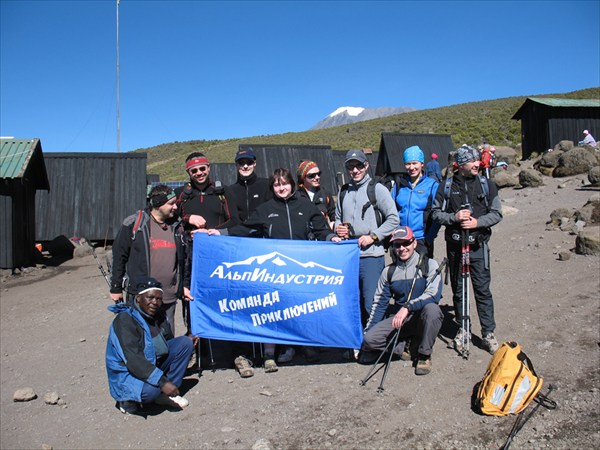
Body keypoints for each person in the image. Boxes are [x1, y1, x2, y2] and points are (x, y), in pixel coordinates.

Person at [227, 168, 341, 370]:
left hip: (299, 268)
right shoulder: (265, 209)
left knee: (300, 307)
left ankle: (305, 345)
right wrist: (218, 233)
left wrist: (332, 237)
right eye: (277, 184)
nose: (281, 188)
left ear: (292, 185)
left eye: (285, 183)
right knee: (272, 310)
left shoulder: (306, 206)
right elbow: (244, 229)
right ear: (273, 187)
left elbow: (321, 229)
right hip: (275, 269)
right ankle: (270, 354)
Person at [431, 145, 503, 355]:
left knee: (482, 290)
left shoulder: (487, 185)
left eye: (478, 161)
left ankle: (488, 333)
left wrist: (477, 222)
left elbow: (497, 214)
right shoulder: (446, 186)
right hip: (455, 247)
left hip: (478, 246)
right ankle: (463, 330)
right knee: (459, 290)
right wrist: (454, 217)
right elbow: (435, 213)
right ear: (461, 165)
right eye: (473, 161)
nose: (477, 164)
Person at [106, 276, 195, 415]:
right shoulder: (125, 320)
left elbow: (168, 343)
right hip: (128, 372)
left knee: (185, 343)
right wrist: (162, 382)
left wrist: (190, 339)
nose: (155, 302)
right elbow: (133, 360)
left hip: (151, 363)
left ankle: (165, 393)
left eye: (159, 299)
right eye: (150, 297)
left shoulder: (158, 314)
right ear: (138, 298)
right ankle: (127, 399)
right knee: (152, 390)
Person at [360, 226, 443, 375]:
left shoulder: (430, 265)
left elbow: (433, 295)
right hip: (400, 320)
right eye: (397, 245)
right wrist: (368, 333)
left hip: (421, 316)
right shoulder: (388, 272)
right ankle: (403, 346)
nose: (402, 248)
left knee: (433, 310)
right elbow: (379, 303)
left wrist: (408, 307)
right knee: (370, 339)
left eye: (406, 243)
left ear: (414, 243)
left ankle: (424, 354)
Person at [110, 185, 190, 333]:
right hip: (142, 295)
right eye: (171, 203)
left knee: (167, 336)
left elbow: (184, 259)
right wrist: (116, 287)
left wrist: (184, 285)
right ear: (158, 204)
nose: (175, 207)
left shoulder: (176, 226)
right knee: (142, 335)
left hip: (169, 295)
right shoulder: (135, 224)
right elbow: (119, 256)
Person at [335, 150, 399, 328]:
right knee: (352, 303)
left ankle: (378, 343)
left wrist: (373, 236)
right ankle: (359, 342)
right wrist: (337, 228)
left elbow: (394, 218)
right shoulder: (343, 191)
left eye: (358, 166)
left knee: (372, 303)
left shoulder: (377, 189)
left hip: (371, 255)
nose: (355, 170)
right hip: (349, 255)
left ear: (366, 166)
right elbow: (338, 217)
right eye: (350, 166)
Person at [391, 145, 440, 258]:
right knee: (401, 274)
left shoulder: (432, 185)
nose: (411, 167)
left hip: (422, 239)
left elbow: (437, 214)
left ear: (422, 164)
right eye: (408, 164)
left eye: (415, 163)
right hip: (401, 239)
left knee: (421, 273)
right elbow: (391, 210)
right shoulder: (399, 184)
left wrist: (429, 238)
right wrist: (395, 231)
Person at [175, 152, 239, 234]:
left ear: (208, 168)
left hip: (216, 242)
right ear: (188, 172)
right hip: (189, 244)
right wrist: (188, 218)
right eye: (194, 171)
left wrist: (212, 232)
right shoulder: (180, 193)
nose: (199, 173)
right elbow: (170, 219)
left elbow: (234, 220)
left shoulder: (224, 191)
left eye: (202, 168)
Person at [228, 148, 272, 223]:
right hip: (239, 233)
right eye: (241, 163)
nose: (245, 166)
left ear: (254, 163)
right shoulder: (230, 190)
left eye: (249, 162)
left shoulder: (267, 185)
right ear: (236, 165)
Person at [296, 160, 336, 229]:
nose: (317, 177)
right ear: (303, 178)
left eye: (318, 174)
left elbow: (334, 215)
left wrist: (334, 225)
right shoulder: (296, 196)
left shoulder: (325, 194)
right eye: (312, 175)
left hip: (323, 236)